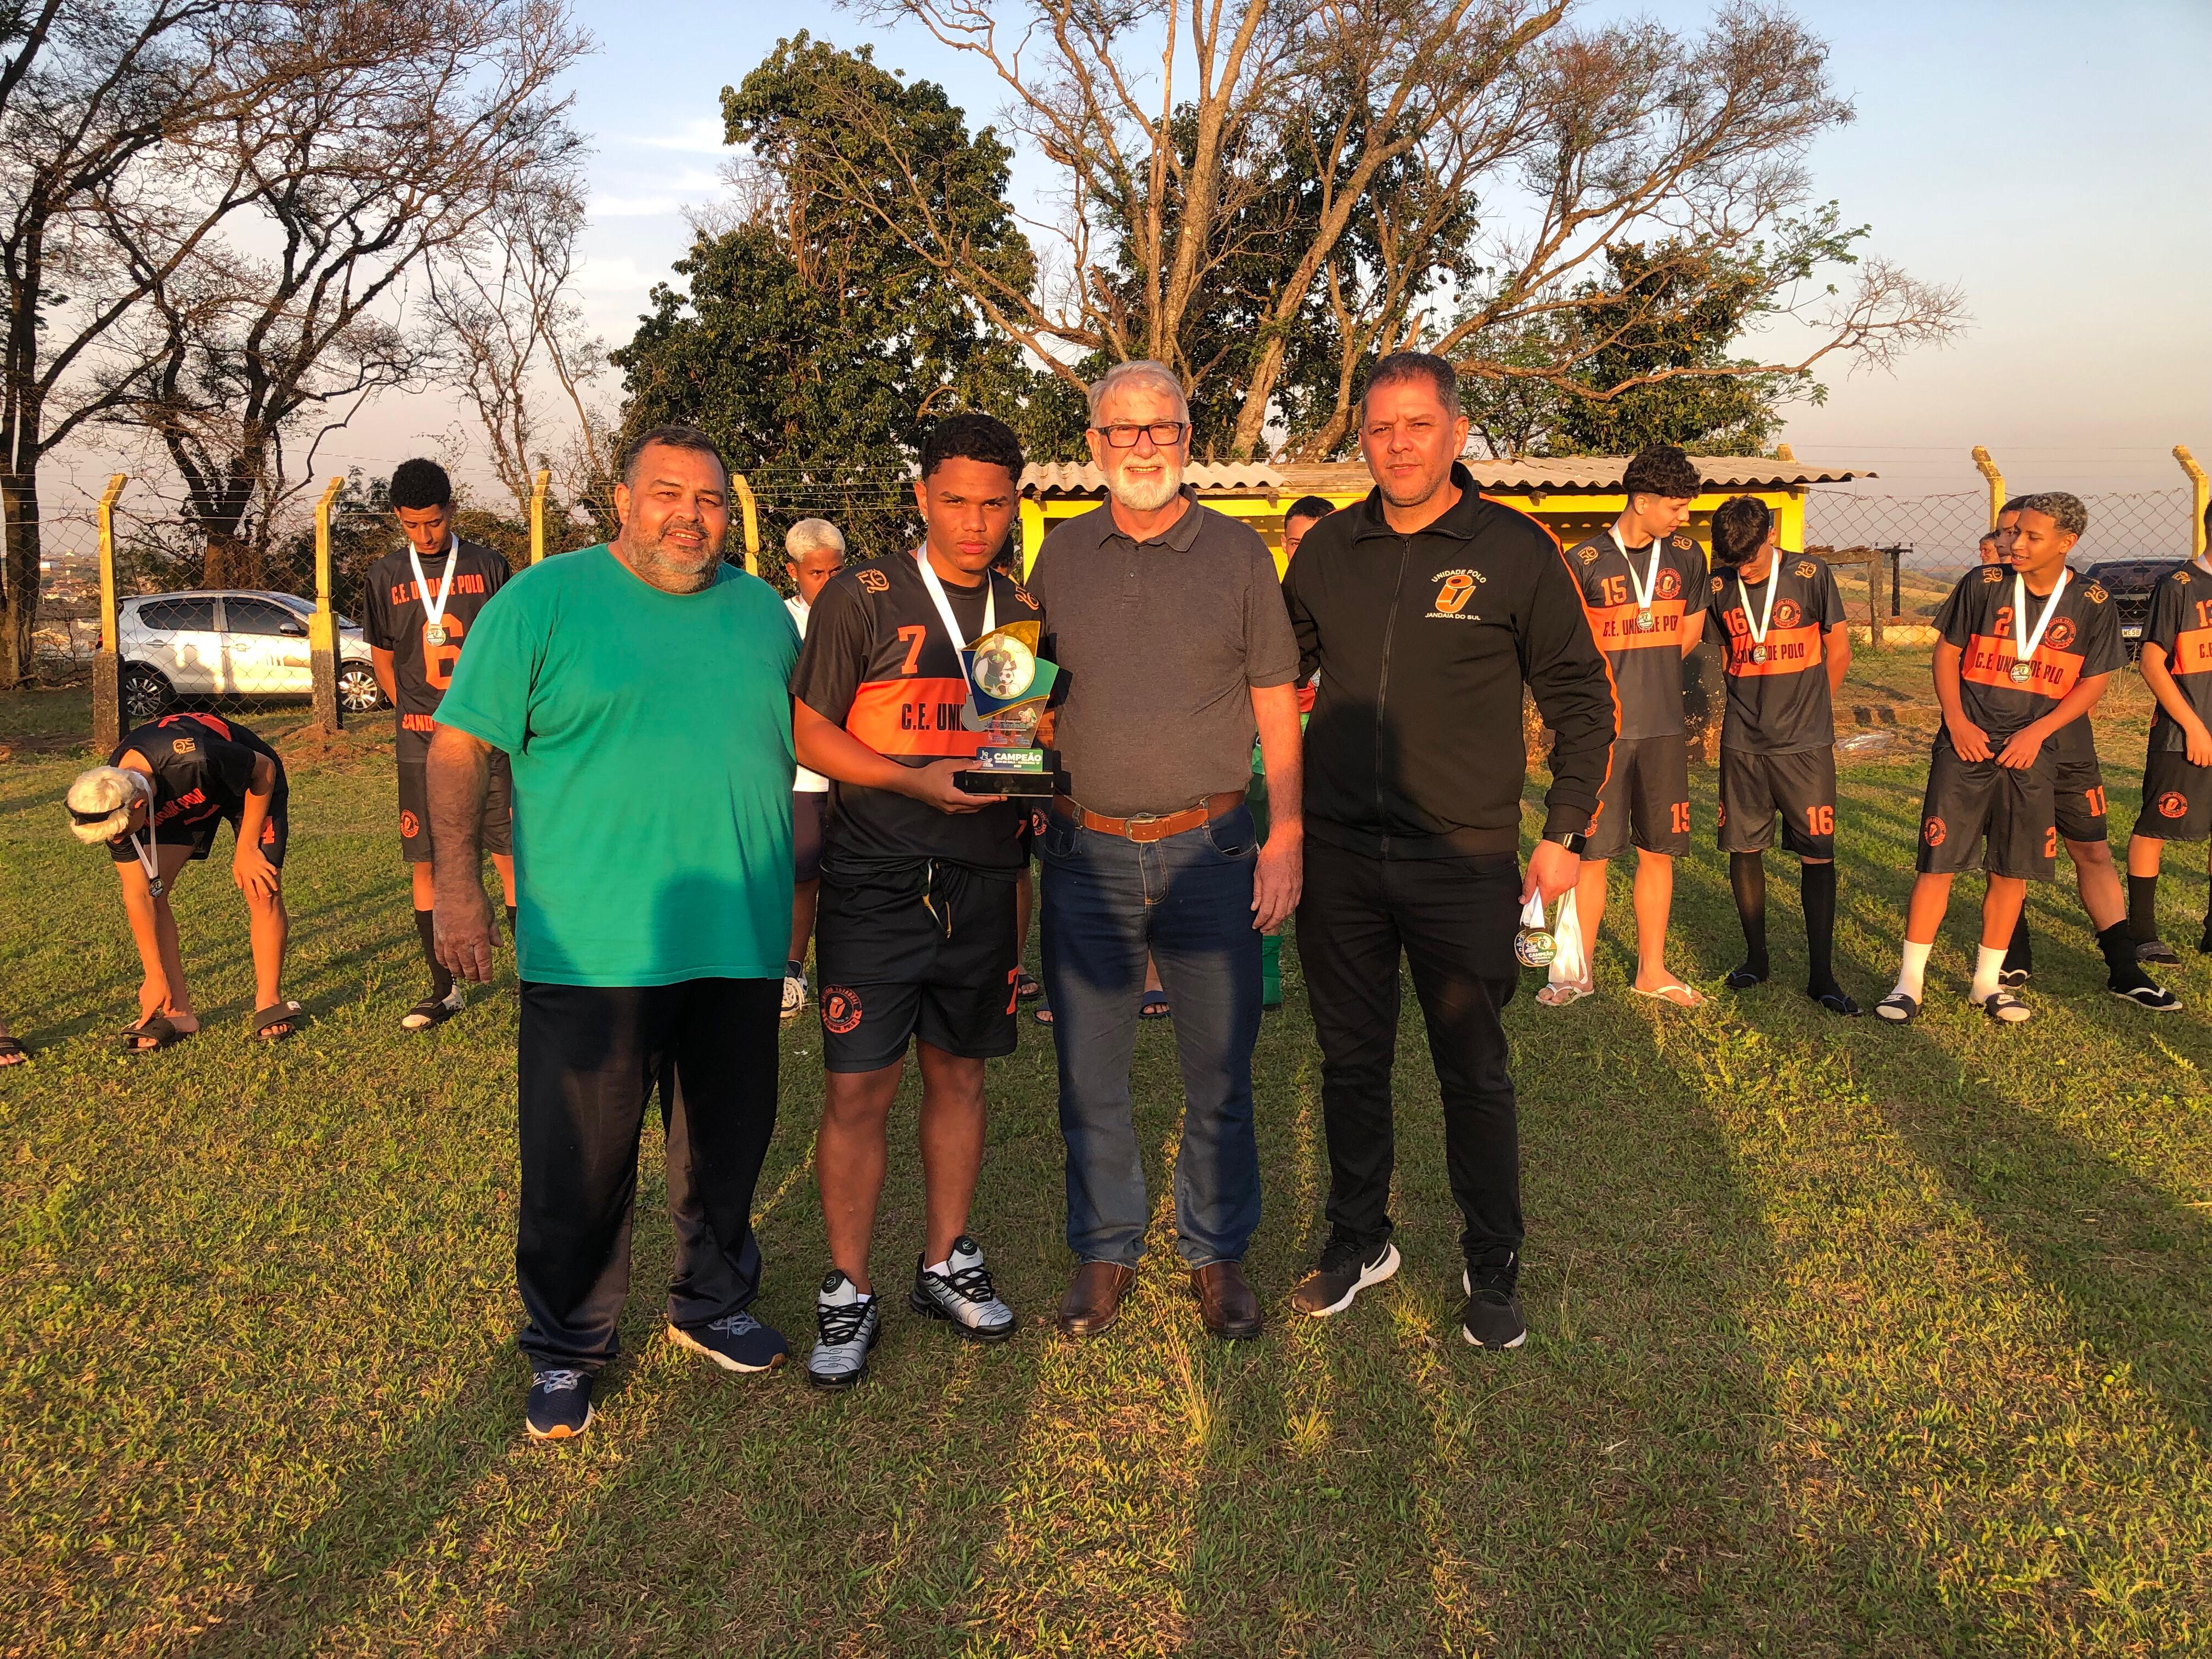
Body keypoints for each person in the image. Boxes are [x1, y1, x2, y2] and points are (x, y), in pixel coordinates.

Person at [427, 424, 799, 1441]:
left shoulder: (763, 612)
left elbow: (804, 740)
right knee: (577, 1160)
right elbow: (461, 748)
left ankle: (710, 1298)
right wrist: (457, 889)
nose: (690, 514)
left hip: (738, 927)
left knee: (724, 1141)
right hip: (593, 939)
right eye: (668, 492)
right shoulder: (542, 603)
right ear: (623, 501)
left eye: (711, 498)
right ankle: (565, 1344)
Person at [1280, 352, 1613, 1346]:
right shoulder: (1328, 550)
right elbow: (1268, 672)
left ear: (1456, 433)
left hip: (1463, 858)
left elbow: (1583, 702)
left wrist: (1563, 833)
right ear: (1362, 438)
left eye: (1417, 425)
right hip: (1340, 854)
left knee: (1471, 1065)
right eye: (1380, 428)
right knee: (1349, 1058)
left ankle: (1490, 1256)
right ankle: (1357, 1236)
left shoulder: (1513, 548)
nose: (1397, 444)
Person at [1029, 359, 1304, 1344]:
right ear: (1095, 444)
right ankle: (1103, 1249)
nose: (1142, 445)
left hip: (1212, 847)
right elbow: (1025, 693)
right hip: (1086, 853)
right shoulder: (1058, 556)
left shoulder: (1238, 555)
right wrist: (1019, 771)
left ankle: (1216, 1251)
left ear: (1189, 441)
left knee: (1220, 1072)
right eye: (1123, 429)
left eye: (1162, 428)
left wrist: (1288, 833)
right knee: (1088, 1070)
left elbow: (1275, 698)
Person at [788, 413, 1036, 1387]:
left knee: (961, 1075)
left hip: (984, 874)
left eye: (993, 501)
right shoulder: (863, 592)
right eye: (955, 500)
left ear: (1012, 503)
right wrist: (910, 777)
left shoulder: (1018, 600)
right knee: (858, 1087)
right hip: (878, 877)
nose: (975, 520)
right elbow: (811, 733)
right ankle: (847, 1287)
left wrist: (1032, 750)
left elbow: (1006, 732)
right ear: (922, 497)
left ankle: (946, 1258)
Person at [1876, 492, 2173, 1023]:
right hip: (1967, 744)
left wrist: (2039, 733)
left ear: (2067, 543)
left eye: (2032, 537)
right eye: (2014, 534)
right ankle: (1908, 983)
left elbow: (2093, 681)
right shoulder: (1982, 584)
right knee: (1938, 864)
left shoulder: (2093, 602)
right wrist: (1958, 721)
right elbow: (1946, 653)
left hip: (2031, 751)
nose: (2015, 543)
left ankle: (1988, 984)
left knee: (2011, 870)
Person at [1544, 444, 1709, 1008]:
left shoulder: (1688, 556)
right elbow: (1568, 647)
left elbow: (1689, 633)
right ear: (1642, 500)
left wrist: (1646, 662)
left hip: (1664, 728)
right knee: (1591, 855)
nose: (1683, 517)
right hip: (1602, 733)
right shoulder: (1584, 560)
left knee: (1657, 850)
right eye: (1675, 506)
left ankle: (1652, 971)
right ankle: (1574, 972)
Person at [362, 458, 516, 1031]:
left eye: (433, 522)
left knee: (510, 856)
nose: (425, 535)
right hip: (421, 741)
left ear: (452, 509)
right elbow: (383, 659)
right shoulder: (383, 576)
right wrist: (415, 717)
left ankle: (534, 982)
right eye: (412, 526)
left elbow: (510, 650)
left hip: (488, 737)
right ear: (398, 520)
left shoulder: (489, 565)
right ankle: (443, 988)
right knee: (426, 864)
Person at [64, 712, 302, 1049]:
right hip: (180, 804)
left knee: (261, 886)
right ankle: (178, 1011)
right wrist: (153, 974)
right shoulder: (108, 799)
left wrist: (248, 847)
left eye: (118, 832)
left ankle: (268, 1000)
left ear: (139, 806)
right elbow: (137, 894)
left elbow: (262, 768)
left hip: (248, 786)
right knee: (153, 892)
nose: (115, 839)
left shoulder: (194, 756)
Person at [1705, 495, 1857, 1013]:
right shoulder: (1720, 581)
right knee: (1745, 849)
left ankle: (1822, 975)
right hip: (1743, 740)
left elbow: (1839, 650)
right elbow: (1726, 650)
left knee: (1817, 852)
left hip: (1804, 743)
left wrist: (1813, 710)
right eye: (1733, 559)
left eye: (1749, 556)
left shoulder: (1812, 574)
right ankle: (1757, 958)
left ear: (1771, 535)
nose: (1742, 568)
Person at [2123, 500, 2212, 962]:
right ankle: (2142, 931)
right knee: (2156, 825)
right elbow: (2153, 663)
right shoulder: (2178, 586)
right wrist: (2194, 726)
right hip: (2185, 735)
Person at [781, 518, 848, 1018]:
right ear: (793, 572)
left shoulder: (861, 610)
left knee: (852, 875)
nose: (828, 581)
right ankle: (791, 968)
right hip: (803, 777)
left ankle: (849, 969)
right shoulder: (780, 623)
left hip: (855, 774)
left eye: (837, 570)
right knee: (803, 875)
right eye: (816, 573)